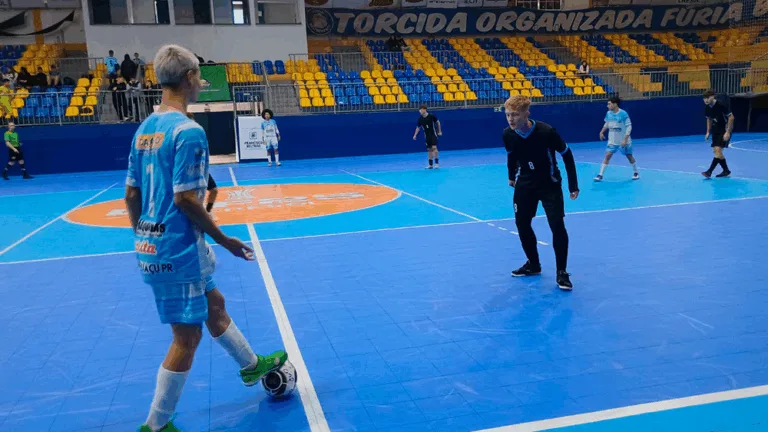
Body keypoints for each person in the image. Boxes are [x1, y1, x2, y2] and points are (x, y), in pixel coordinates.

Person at [124, 44, 287, 432]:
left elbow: (131, 195)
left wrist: (143, 236)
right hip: (177, 247)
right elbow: (185, 199)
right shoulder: (189, 131)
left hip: (154, 242)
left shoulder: (144, 128)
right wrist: (225, 239)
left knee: (215, 303)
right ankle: (157, 424)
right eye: (200, 75)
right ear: (190, 78)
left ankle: (251, 367)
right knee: (187, 336)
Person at [503, 95, 578, 290]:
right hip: (525, 183)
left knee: (557, 226)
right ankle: (533, 264)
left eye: (515, 115)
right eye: (508, 114)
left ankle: (562, 272)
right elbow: (511, 156)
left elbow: (567, 155)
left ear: (526, 114)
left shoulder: (546, 131)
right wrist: (511, 176)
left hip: (549, 184)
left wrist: (573, 185)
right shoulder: (508, 134)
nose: (511, 119)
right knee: (522, 223)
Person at [594, 96, 639, 181]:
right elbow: (607, 123)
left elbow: (629, 127)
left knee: (629, 156)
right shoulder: (608, 113)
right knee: (607, 155)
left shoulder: (623, 114)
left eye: (609, 104)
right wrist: (601, 132)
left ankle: (636, 172)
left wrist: (625, 140)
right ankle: (600, 174)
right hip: (612, 141)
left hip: (623, 141)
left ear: (615, 104)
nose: (607, 106)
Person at [186, 112, 219, 212]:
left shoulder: (199, 134)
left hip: (200, 169)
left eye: (193, 120)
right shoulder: (182, 137)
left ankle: (208, 211)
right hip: (187, 171)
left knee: (214, 190)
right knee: (190, 197)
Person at [702, 89, 733, 178]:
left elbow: (731, 118)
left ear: (713, 96)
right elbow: (709, 119)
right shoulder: (707, 107)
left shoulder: (721, 105)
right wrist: (708, 131)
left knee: (718, 151)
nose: (706, 100)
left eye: (708, 97)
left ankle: (709, 171)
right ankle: (726, 170)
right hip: (716, 129)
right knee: (717, 151)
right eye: (704, 98)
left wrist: (728, 132)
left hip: (724, 129)